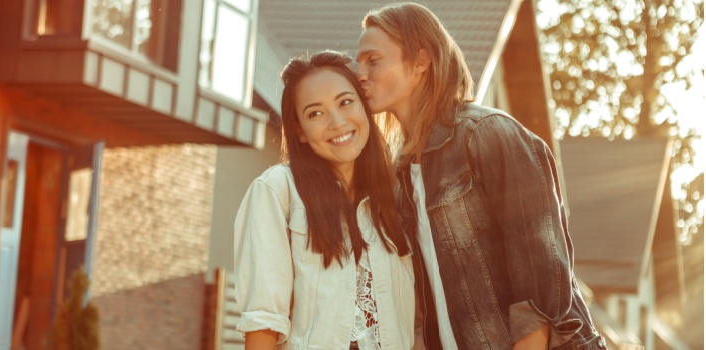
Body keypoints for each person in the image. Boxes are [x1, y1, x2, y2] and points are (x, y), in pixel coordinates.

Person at [354, 3, 605, 350]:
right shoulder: (401, 177)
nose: (359, 73)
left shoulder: (488, 135)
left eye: (372, 60)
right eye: (358, 62)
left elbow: (539, 299)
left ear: (420, 62)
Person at [233, 50, 417, 350]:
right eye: (315, 113)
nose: (337, 122)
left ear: (364, 107)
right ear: (300, 131)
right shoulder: (277, 191)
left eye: (345, 102)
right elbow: (263, 320)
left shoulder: (397, 195)